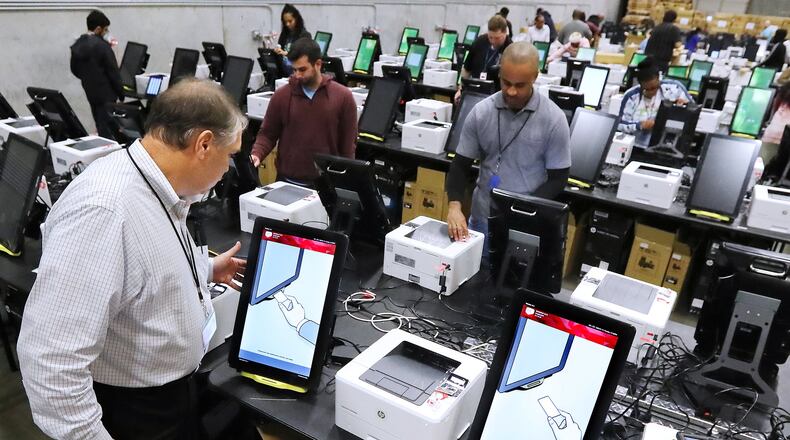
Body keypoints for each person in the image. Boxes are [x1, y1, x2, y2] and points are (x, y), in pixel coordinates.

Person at [18, 78, 248, 440]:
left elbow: (143, 265)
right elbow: (51, 364)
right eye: (230, 155)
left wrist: (203, 269)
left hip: (179, 392)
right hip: (139, 413)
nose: (228, 169)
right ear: (203, 144)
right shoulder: (105, 210)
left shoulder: (158, 187)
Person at [446, 42, 571, 244]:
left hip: (523, 227)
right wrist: (454, 206)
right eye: (506, 83)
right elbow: (460, 165)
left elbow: (558, 179)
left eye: (520, 85)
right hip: (481, 221)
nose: (511, 91)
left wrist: (524, 211)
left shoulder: (553, 119)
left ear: (535, 77)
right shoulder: (481, 112)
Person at [251, 38, 357, 185]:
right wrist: (257, 154)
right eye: (294, 70)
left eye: (302, 69)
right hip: (286, 181)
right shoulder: (282, 96)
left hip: (326, 186)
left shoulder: (343, 97)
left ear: (318, 64)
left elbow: (348, 147)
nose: (297, 75)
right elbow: (268, 134)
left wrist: (346, 184)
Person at [70, 10, 123, 140]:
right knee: (110, 133)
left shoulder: (78, 45)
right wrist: (121, 92)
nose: (106, 32)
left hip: (91, 93)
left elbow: (74, 69)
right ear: (98, 29)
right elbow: (113, 72)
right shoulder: (102, 46)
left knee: (101, 126)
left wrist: (88, 79)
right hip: (107, 95)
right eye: (105, 29)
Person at [617, 58, 692, 147]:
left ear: (658, 79)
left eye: (654, 88)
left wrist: (684, 108)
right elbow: (620, 124)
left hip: (668, 145)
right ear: (640, 85)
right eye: (646, 89)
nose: (651, 92)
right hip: (636, 145)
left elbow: (694, 114)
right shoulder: (631, 96)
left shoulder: (674, 89)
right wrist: (639, 125)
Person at [455, 15, 512, 103]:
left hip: (496, 97)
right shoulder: (480, 42)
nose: (493, 41)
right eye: (490, 37)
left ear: (505, 33)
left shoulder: (510, 49)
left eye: (497, 38)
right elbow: (467, 68)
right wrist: (460, 89)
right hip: (474, 92)